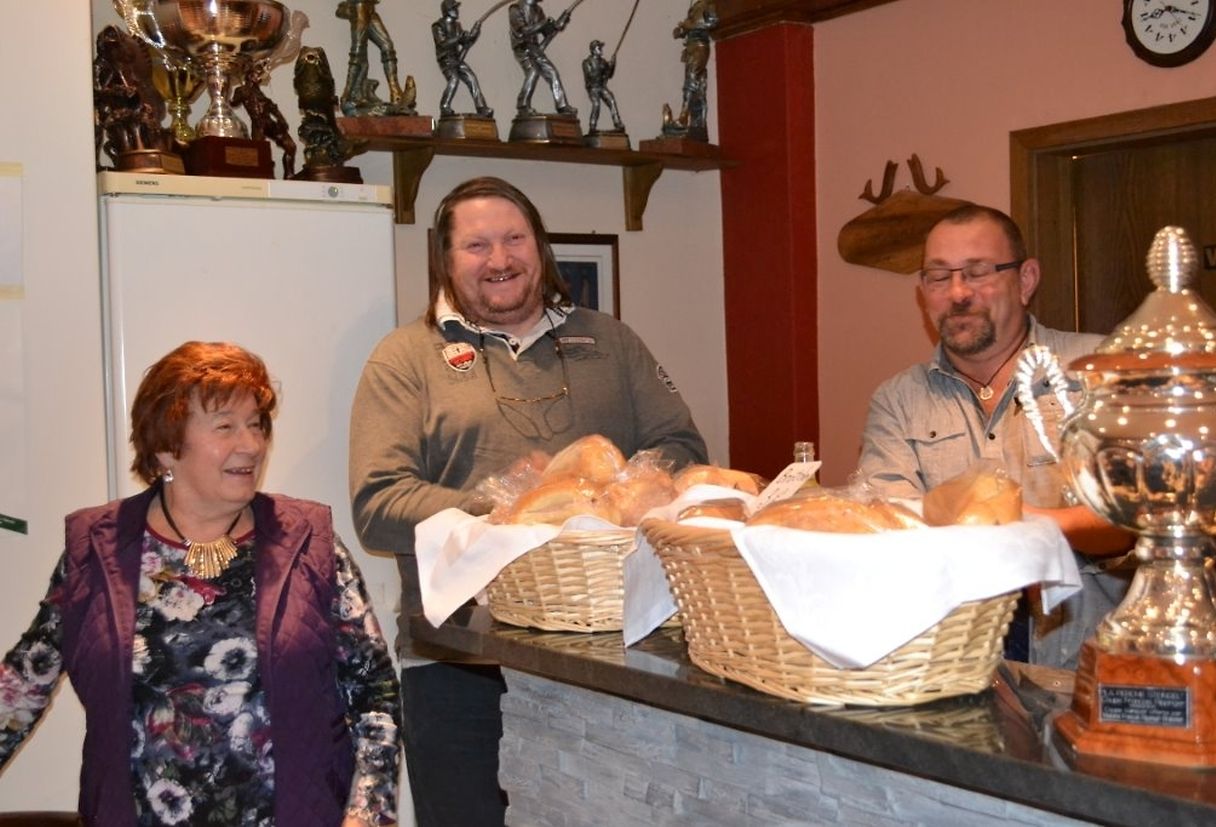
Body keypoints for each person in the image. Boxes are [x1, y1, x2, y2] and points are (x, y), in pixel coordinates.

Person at [349, 176, 708, 826]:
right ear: (445, 260)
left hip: (611, 659)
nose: (500, 259)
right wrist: (505, 508)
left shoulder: (612, 342)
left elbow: (682, 447)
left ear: (540, 247)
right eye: (476, 245)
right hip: (459, 664)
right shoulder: (405, 358)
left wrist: (612, 492)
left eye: (514, 239)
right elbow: (378, 504)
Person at [0, 342, 401, 826]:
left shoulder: (309, 543)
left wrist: (367, 816)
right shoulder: (96, 550)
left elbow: (376, 695)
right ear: (167, 446)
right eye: (225, 427)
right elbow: (21, 686)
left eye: (256, 424)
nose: (251, 444)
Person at [856, 204, 1134, 671]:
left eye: (978, 272)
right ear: (923, 293)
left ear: (1025, 280)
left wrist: (1030, 525)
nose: (958, 293)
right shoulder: (898, 401)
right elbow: (889, 530)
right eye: (939, 277)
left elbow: (1134, 518)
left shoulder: (1100, 370)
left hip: (1092, 671)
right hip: (950, 668)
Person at [662, 0, 717, 140]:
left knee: (691, 81)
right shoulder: (694, 6)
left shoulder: (708, 4)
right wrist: (681, 31)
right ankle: (696, 122)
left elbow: (712, 22)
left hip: (700, 47)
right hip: (691, 47)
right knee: (694, 84)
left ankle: (683, 116)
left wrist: (690, 26)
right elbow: (690, 25)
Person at [509, 0, 575, 116]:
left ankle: (562, 106)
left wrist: (559, 25)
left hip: (534, 48)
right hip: (522, 47)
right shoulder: (515, 9)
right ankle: (522, 105)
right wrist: (544, 23)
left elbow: (547, 32)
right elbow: (524, 31)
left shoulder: (538, 10)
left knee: (552, 72)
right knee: (533, 71)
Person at [433, 0, 493, 118]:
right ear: (448, 11)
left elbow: (466, 41)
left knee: (471, 78)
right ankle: (444, 106)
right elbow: (443, 44)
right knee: (454, 79)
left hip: (457, 59)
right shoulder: (437, 26)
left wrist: (474, 33)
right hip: (446, 60)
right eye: (454, 8)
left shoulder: (457, 26)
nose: (457, 11)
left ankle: (481, 107)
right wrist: (459, 38)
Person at [582, 39, 624, 134]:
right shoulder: (587, 62)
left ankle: (618, 123)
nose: (601, 50)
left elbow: (609, 75)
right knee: (596, 104)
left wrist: (612, 65)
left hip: (601, 87)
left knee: (611, 100)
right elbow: (590, 76)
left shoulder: (603, 62)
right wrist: (601, 69)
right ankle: (592, 126)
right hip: (593, 88)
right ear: (593, 50)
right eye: (599, 48)